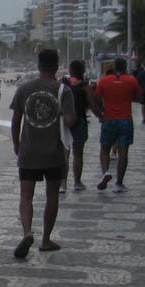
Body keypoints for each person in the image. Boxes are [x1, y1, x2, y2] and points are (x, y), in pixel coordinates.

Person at [10, 48, 75, 258]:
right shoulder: (63, 91)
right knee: (52, 195)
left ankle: (28, 232)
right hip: (54, 153)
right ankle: (46, 240)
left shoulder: (24, 88)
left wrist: (16, 144)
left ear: (38, 65)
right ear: (56, 67)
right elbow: (70, 121)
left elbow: (15, 121)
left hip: (29, 151)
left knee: (26, 196)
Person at [92, 56, 142, 193]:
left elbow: (95, 98)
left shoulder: (104, 81)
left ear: (114, 67)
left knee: (104, 149)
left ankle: (105, 172)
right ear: (125, 67)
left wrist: (100, 114)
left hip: (108, 119)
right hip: (125, 119)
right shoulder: (131, 80)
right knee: (123, 152)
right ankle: (119, 183)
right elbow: (139, 97)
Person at [63, 60, 94, 192]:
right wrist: (101, 116)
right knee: (78, 154)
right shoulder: (85, 87)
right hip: (79, 120)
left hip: (64, 121)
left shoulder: (64, 84)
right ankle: (77, 182)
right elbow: (92, 104)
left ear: (70, 70)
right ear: (83, 71)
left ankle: (62, 184)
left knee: (64, 154)